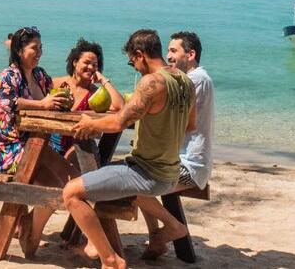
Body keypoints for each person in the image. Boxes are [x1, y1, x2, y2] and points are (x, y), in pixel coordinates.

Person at [62, 30, 196, 269]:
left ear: (140, 54)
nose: (134, 67)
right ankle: (97, 244)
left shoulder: (151, 83)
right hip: (170, 172)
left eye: (132, 61)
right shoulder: (186, 81)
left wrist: (90, 124)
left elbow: (118, 122)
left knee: (71, 192)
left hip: (145, 173)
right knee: (98, 174)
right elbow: (190, 125)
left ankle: (110, 259)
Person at [20, 39, 125, 258]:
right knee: (79, 173)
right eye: (87, 62)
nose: (91, 68)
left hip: (78, 152)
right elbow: (31, 96)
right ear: (75, 62)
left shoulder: (96, 94)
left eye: (96, 65)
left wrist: (104, 80)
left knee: (81, 160)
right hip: (49, 148)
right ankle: (85, 237)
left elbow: (120, 108)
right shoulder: (57, 84)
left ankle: (84, 237)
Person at [0, 26, 72, 257]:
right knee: (65, 175)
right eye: (34, 48)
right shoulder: (9, 75)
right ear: (20, 49)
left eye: (41, 48)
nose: (39, 52)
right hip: (6, 149)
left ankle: (29, 224)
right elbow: (8, 104)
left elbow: (52, 95)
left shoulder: (40, 75)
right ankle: (32, 232)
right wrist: (42, 104)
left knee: (60, 188)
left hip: (35, 146)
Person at [141, 31, 215, 254]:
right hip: (180, 160)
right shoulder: (192, 79)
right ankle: (157, 237)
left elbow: (166, 113)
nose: (168, 56)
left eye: (174, 51)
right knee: (136, 174)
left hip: (190, 164)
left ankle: (170, 230)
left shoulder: (195, 79)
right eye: (168, 51)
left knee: (134, 184)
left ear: (190, 54)